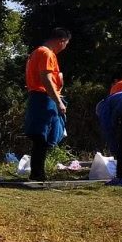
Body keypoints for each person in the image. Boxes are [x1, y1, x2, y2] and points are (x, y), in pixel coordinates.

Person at [24, 28, 71, 181]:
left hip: (38, 97)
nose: (64, 47)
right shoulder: (46, 53)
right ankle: (38, 174)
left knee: (41, 136)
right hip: (44, 98)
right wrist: (58, 101)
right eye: (66, 44)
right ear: (61, 41)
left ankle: (37, 173)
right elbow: (46, 79)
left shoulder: (37, 52)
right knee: (42, 137)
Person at [96, 79, 122, 186]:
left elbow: (108, 129)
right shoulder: (118, 98)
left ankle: (120, 178)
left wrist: (115, 150)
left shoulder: (104, 106)